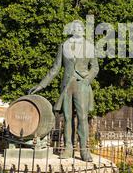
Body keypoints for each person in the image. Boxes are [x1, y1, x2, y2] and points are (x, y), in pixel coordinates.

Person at [29, 21, 99, 162]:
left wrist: (87, 80)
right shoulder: (63, 46)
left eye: (81, 28)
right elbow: (55, 69)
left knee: (83, 118)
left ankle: (84, 150)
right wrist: (41, 85)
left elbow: (95, 67)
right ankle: (68, 148)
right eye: (76, 28)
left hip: (82, 84)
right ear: (71, 30)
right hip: (67, 85)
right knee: (67, 118)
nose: (78, 30)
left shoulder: (90, 47)